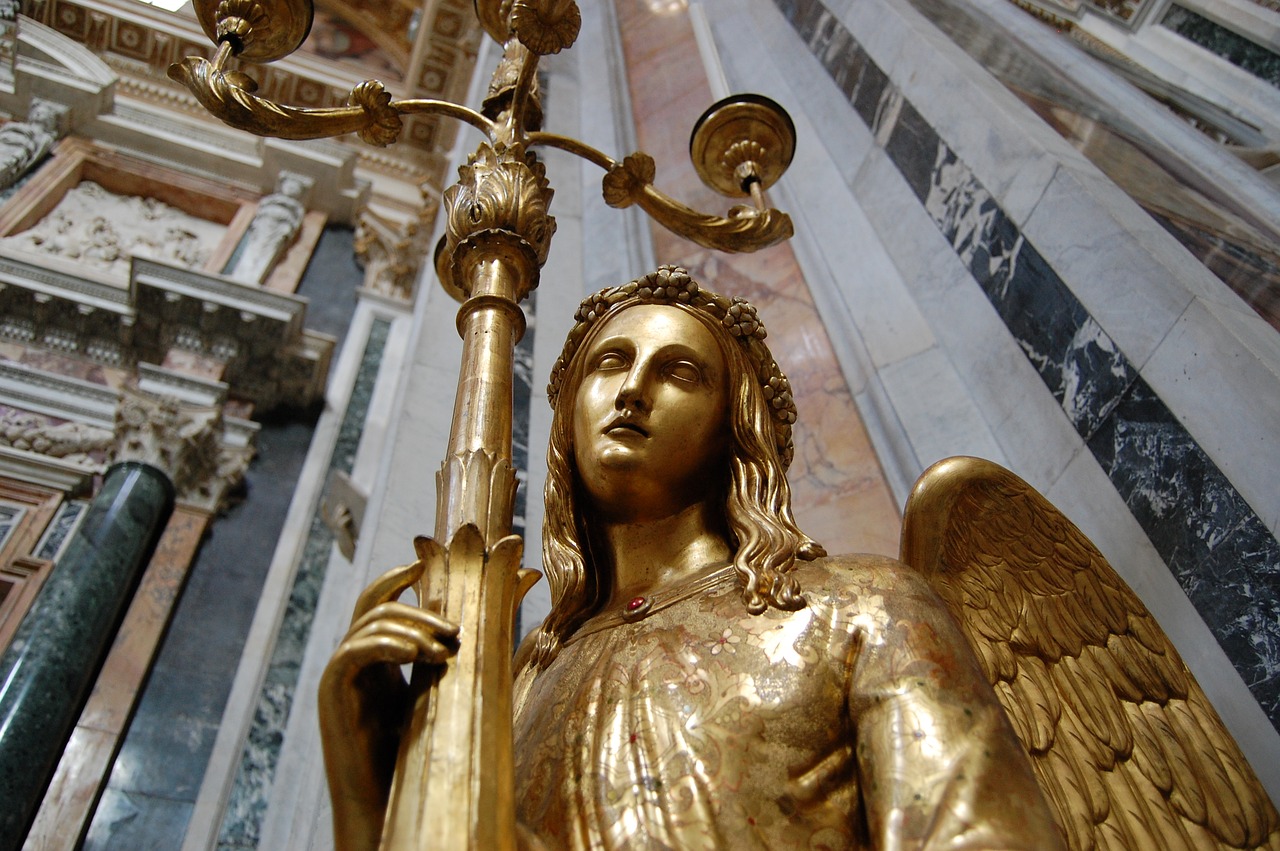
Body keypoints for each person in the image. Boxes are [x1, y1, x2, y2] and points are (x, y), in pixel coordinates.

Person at [321, 266, 1063, 850]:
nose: (631, 389)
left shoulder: (857, 606)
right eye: (608, 363)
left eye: (678, 372)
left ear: (733, 430)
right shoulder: (519, 681)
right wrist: (368, 773)